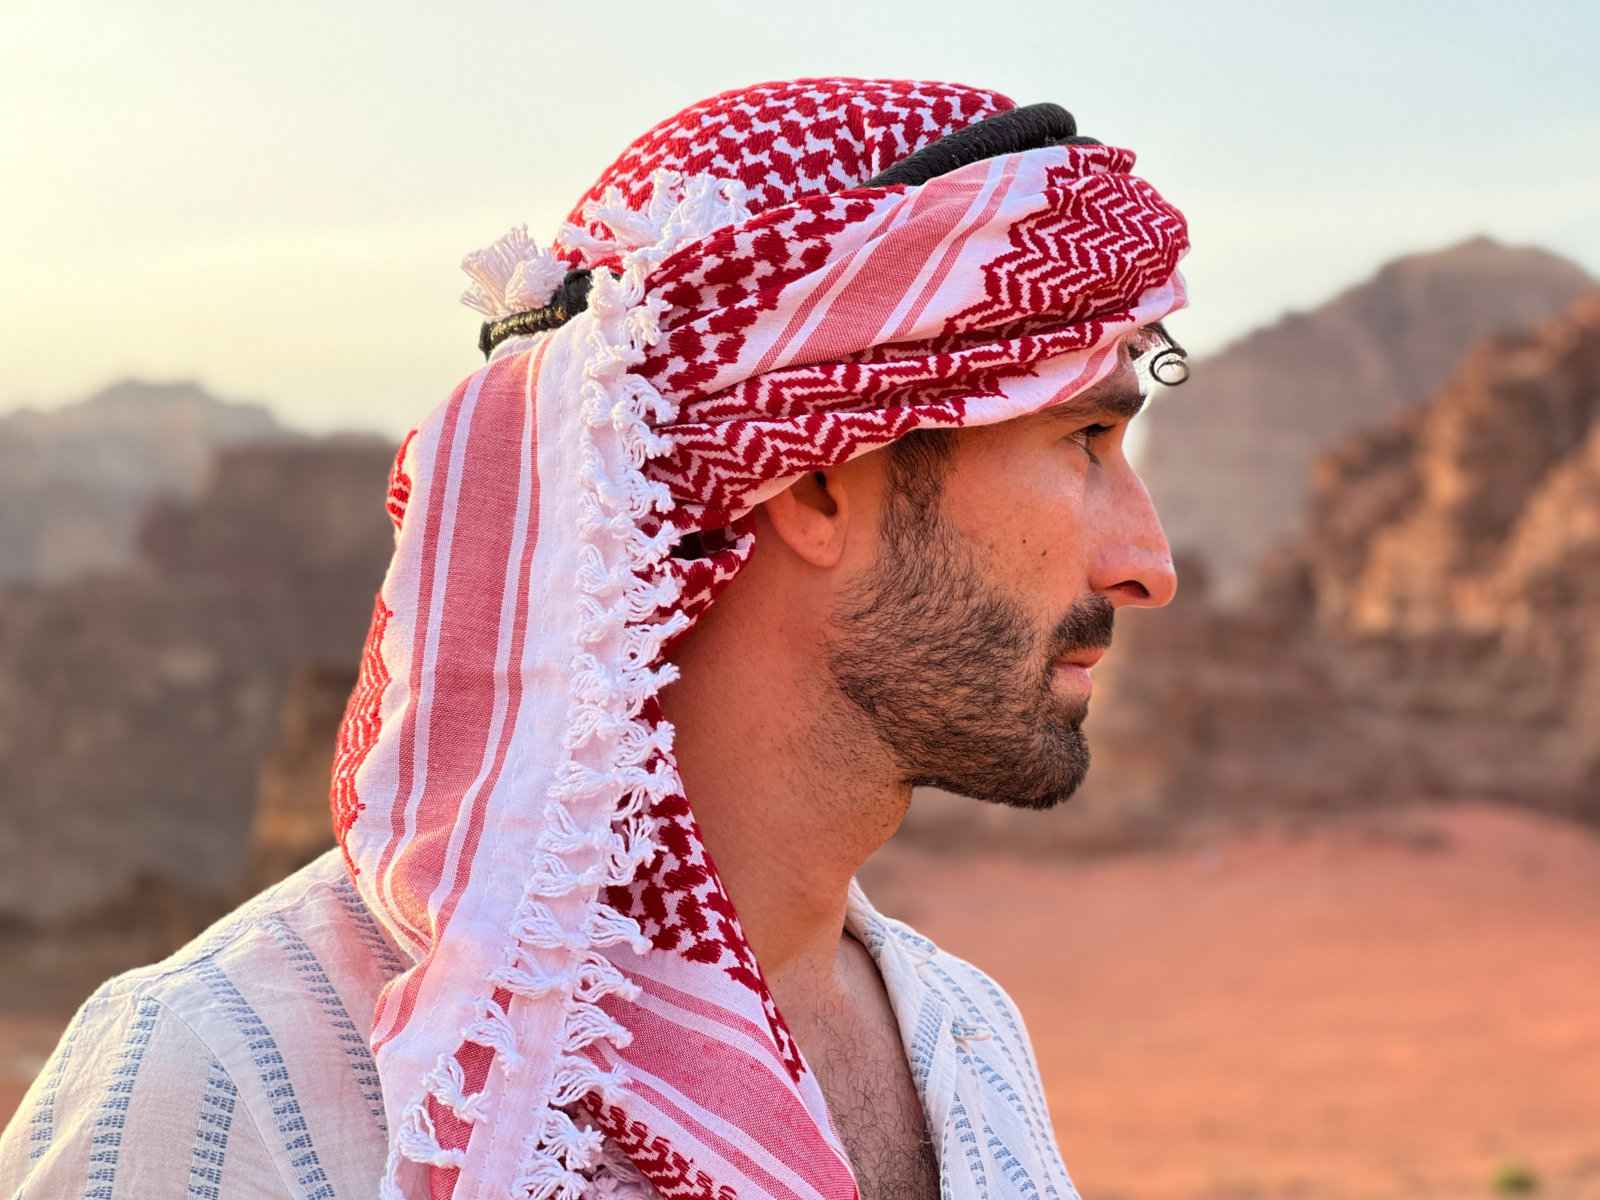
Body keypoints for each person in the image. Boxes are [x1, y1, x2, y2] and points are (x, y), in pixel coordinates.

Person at [0, 77, 1189, 1200]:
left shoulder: (963, 1034)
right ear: (819, 482)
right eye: (1083, 441)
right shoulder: (230, 1079)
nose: (1149, 566)